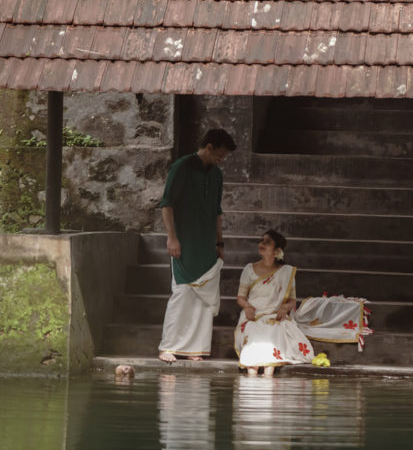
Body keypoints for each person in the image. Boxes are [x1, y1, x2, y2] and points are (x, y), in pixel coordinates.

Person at [235, 230, 372, 376]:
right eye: (261, 241)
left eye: (267, 242)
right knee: (254, 332)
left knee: (274, 331)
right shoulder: (249, 269)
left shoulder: (286, 272)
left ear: (277, 250)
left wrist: (284, 307)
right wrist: (247, 306)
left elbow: (292, 301)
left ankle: (268, 376)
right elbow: (241, 298)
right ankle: (252, 375)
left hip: (274, 317)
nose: (261, 244)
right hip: (253, 316)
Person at [157, 128, 236, 363]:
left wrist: (220, 241)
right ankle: (169, 346)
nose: (221, 160)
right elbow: (167, 204)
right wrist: (172, 237)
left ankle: (196, 349)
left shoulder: (216, 175)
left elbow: (217, 211)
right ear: (208, 147)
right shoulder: (181, 167)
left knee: (204, 295)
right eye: (220, 154)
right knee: (182, 291)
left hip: (207, 242)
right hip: (184, 240)